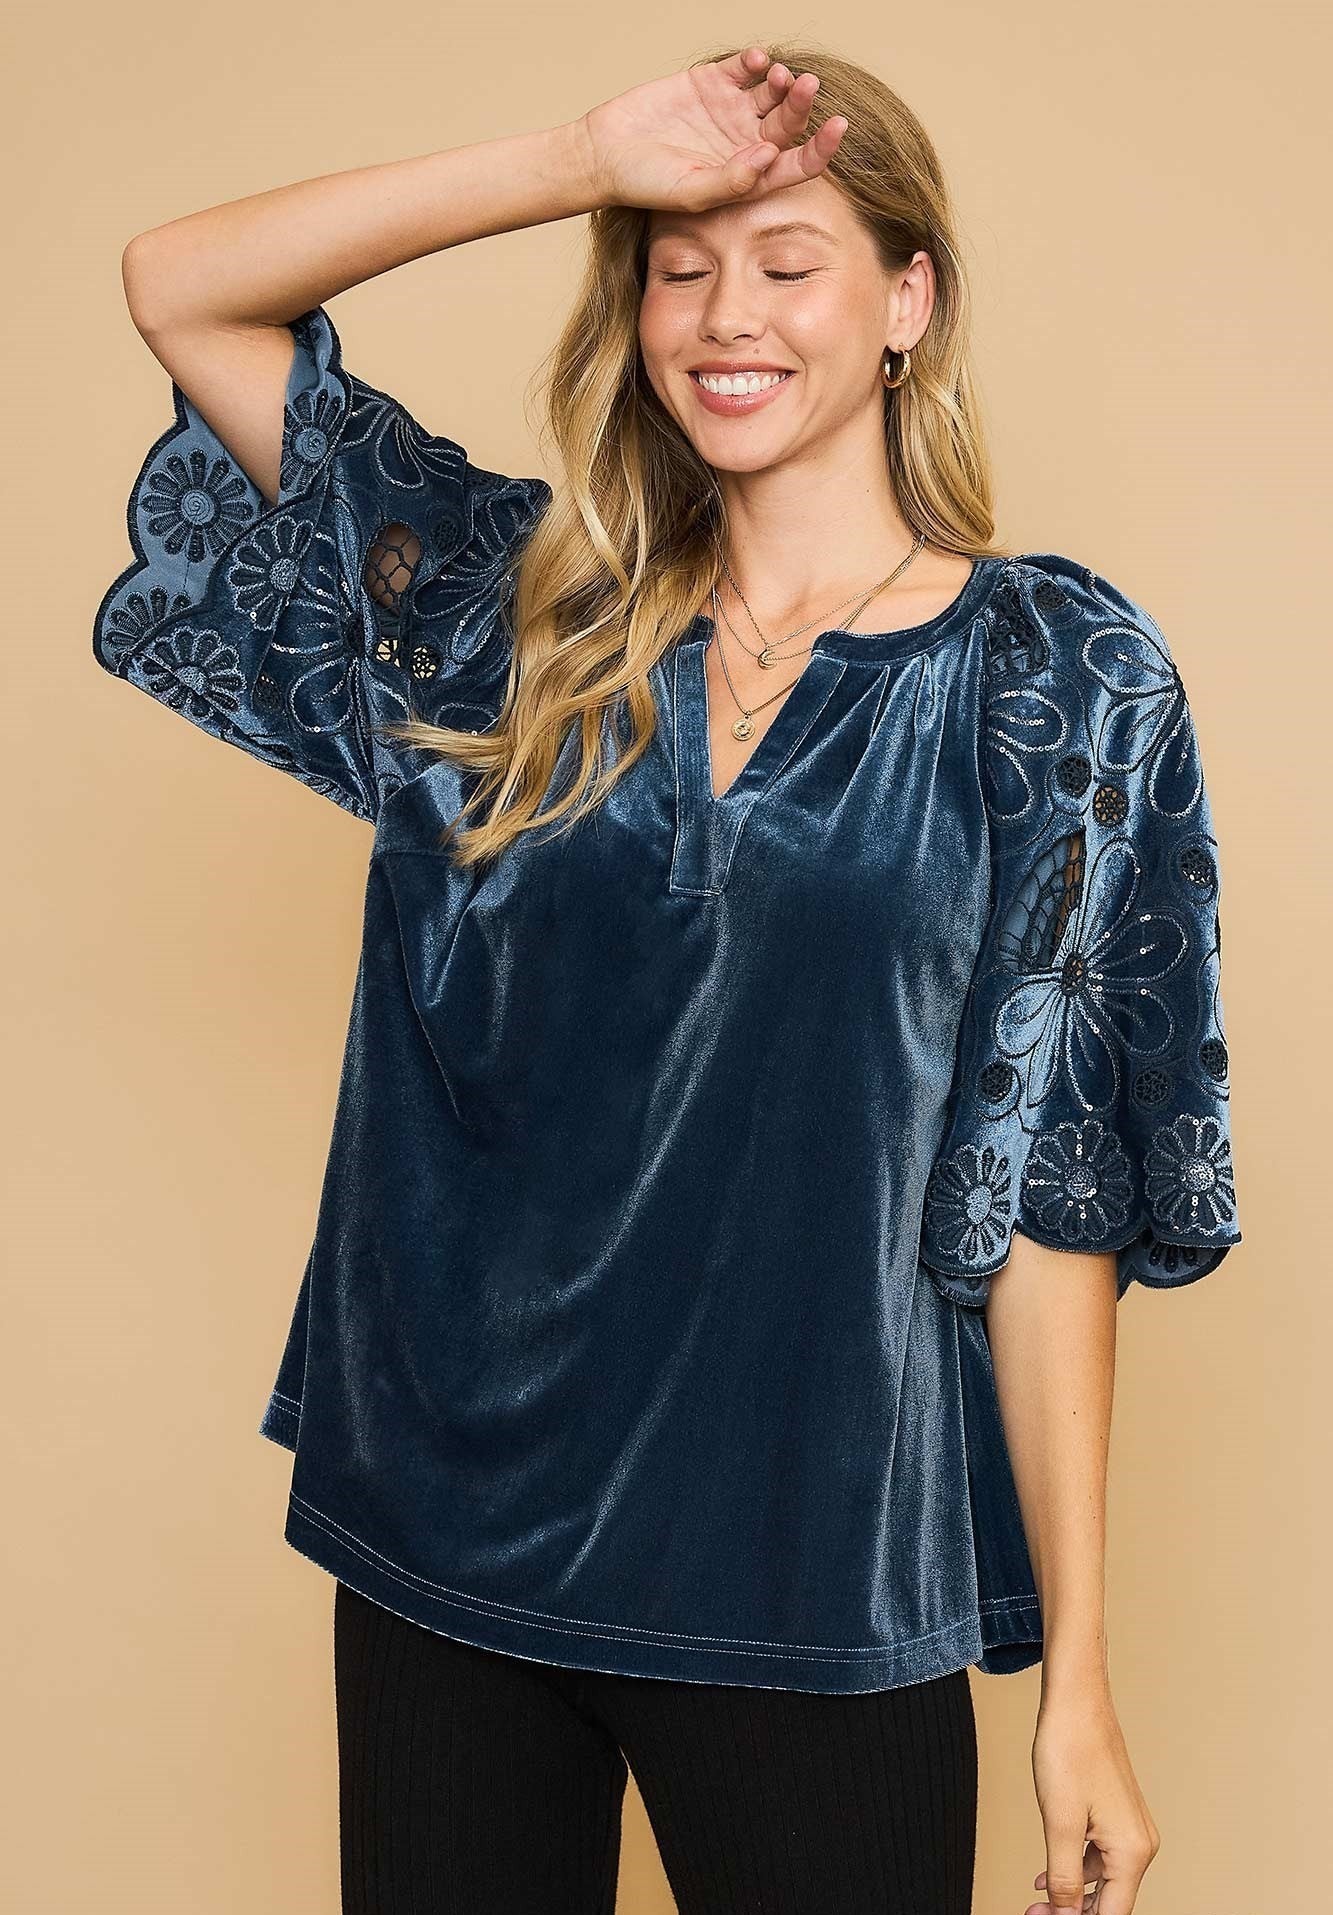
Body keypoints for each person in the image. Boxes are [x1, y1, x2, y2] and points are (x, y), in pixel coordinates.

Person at [93, 39, 1242, 1915]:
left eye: (787, 263)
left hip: (813, 1564)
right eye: (677, 268)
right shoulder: (510, 612)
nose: (726, 317)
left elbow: (1054, 1187)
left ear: (907, 302)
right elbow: (182, 286)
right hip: (447, 1539)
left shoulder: (1052, 673)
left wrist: (1080, 1685)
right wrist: (580, 159)